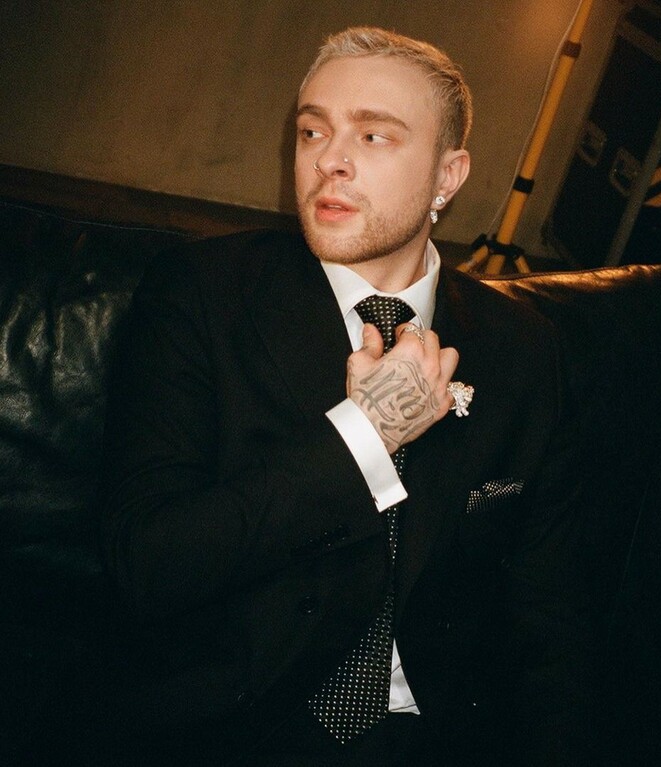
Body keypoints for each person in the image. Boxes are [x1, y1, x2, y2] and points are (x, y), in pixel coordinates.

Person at [101, 26, 592, 766]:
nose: (329, 159)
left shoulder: (525, 346)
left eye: (374, 135)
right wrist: (366, 437)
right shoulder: (200, 293)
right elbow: (148, 564)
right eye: (312, 130)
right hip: (243, 726)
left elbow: (547, 611)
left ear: (448, 176)